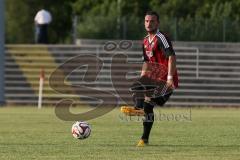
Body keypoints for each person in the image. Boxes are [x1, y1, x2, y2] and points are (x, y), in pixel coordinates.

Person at [121, 11, 178, 147]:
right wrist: (143, 78)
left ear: (157, 23)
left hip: (165, 81)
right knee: (147, 105)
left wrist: (170, 79)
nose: (149, 23)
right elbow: (146, 62)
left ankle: (137, 108)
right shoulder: (145, 41)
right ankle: (144, 139)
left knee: (144, 100)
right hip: (154, 79)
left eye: (152, 21)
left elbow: (172, 57)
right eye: (146, 21)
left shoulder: (161, 38)